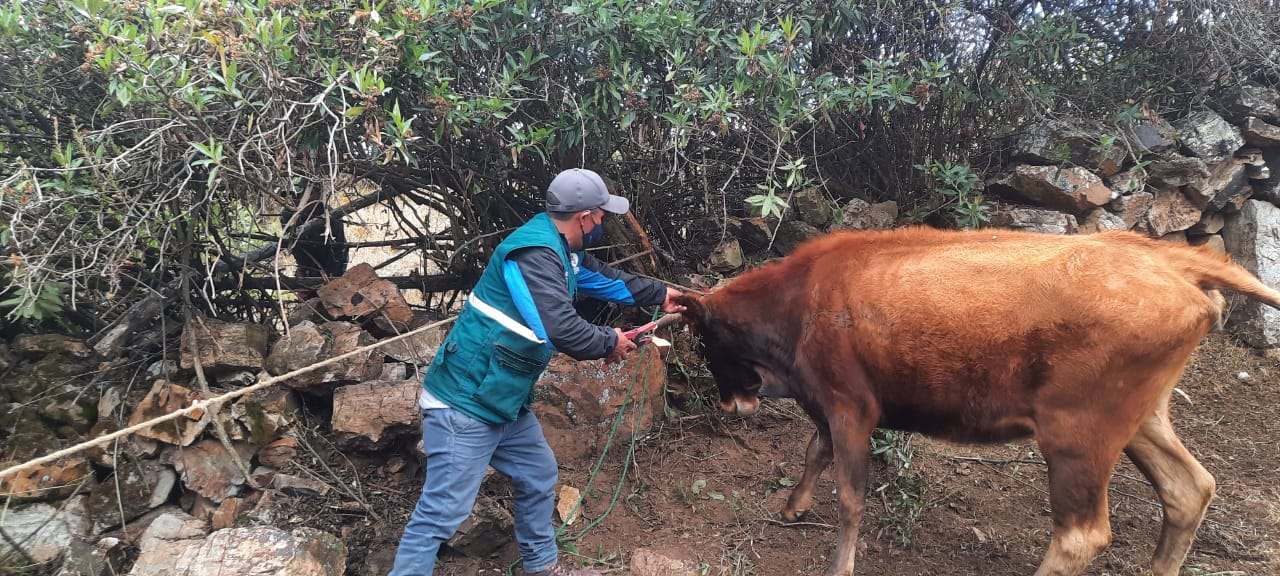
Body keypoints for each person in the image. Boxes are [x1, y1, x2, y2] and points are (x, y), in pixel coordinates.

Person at [390, 168, 685, 576]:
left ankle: (542, 568)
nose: (603, 224)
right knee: (442, 513)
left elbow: (604, 278)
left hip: (503, 397)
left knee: (538, 473)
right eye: (601, 216)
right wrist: (609, 341)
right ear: (584, 217)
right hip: (466, 402)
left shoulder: (559, 250)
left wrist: (663, 294)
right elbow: (561, 329)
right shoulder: (532, 254)